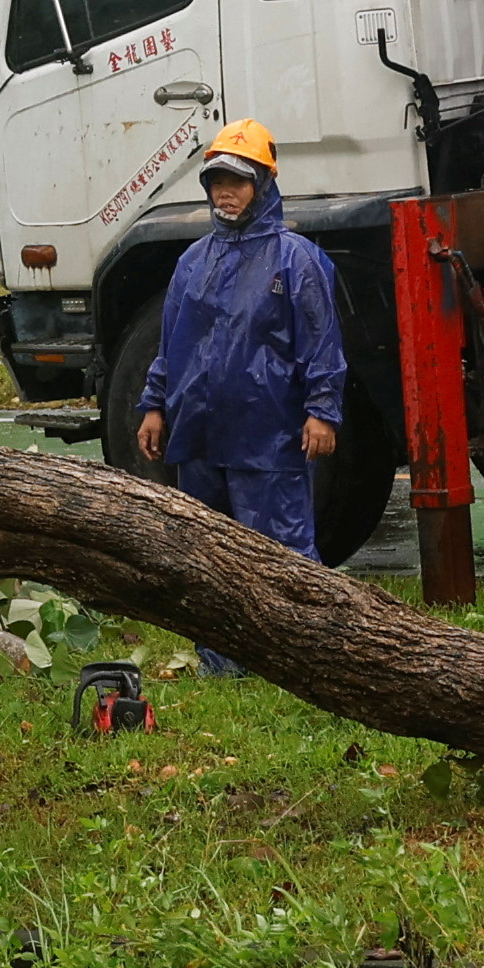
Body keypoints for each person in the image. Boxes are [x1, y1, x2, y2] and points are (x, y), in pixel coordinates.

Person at [129, 124, 347, 666]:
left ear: (265, 183)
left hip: (268, 434)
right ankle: (223, 661)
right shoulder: (193, 262)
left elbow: (321, 343)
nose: (226, 191)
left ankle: (308, 658)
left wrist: (322, 412)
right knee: (208, 556)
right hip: (202, 434)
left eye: (238, 180)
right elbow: (172, 343)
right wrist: (154, 405)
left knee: (282, 552)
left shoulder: (296, 260)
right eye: (217, 180)